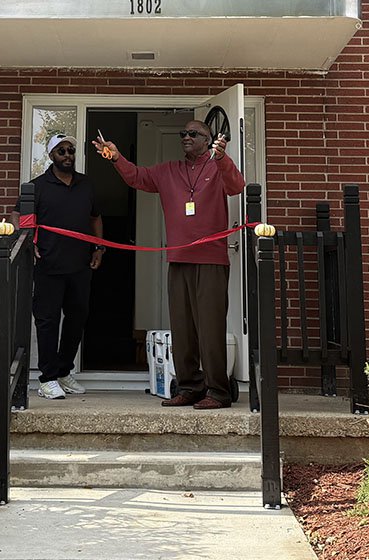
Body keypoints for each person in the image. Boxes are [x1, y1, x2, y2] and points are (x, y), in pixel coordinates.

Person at [93, 121, 245, 409]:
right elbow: (137, 177)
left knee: (210, 328)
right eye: (183, 134)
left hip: (211, 260)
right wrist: (115, 157)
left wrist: (223, 158)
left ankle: (218, 391)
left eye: (194, 134)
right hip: (178, 258)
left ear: (208, 139)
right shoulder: (167, 171)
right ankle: (190, 386)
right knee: (182, 327)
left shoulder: (216, 165)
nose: (187, 138)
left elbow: (237, 186)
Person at [26, 133, 104, 400]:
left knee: (77, 319)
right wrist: (27, 242)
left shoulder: (86, 185)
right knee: (47, 322)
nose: (67, 155)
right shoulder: (37, 186)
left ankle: (63, 372)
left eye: (70, 150)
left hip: (80, 266)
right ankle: (46, 378)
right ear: (51, 156)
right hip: (48, 265)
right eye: (61, 151)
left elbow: (95, 218)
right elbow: (20, 216)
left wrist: (98, 247)